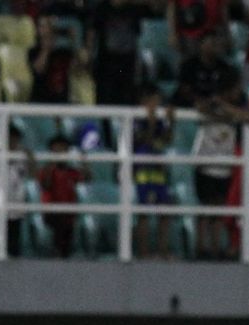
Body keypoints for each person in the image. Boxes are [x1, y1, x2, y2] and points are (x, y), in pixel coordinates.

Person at [191, 71, 242, 260]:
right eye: (236, 89)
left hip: (224, 165)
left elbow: (247, 116)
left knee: (219, 208)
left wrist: (225, 111)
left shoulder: (234, 108)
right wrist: (218, 108)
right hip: (205, 162)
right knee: (205, 207)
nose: (239, 92)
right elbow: (200, 108)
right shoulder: (209, 102)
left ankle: (214, 247)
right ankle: (200, 246)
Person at [132, 83, 175, 259]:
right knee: (144, 211)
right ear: (145, 101)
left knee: (164, 209)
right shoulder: (135, 118)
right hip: (142, 169)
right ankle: (144, 252)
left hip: (158, 167)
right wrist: (150, 125)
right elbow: (142, 140)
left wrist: (172, 122)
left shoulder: (158, 119)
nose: (158, 104)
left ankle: (163, 251)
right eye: (155, 100)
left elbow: (167, 140)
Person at [0, 125, 34, 258]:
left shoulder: (23, 156)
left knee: (13, 244)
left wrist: (31, 159)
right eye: (9, 138)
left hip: (16, 203)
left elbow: (33, 175)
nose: (12, 142)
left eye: (15, 139)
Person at [87, 0, 149, 107]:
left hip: (127, 63)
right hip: (106, 63)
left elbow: (137, 35)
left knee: (126, 98)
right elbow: (92, 32)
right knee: (105, 98)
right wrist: (89, 53)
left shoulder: (133, 9)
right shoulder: (101, 9)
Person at [38, 134, 89, 258]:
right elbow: (45, 185)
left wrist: (84, 162)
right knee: (60, 226)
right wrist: (52, 165)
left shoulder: (71, 171)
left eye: (64, 150)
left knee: (68, 230)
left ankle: (64, 257)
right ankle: (57, 255)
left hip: (69, 214)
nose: (61, 153)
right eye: (57, 150)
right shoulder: (46, 171)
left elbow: (87, 179)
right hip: (51, 212)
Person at [29, 17, 75, 104]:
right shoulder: (33, 51)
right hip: (40, 101)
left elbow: (76, 69)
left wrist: (73, 43)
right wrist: (46, 50)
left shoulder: (63, 52)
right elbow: (38, 70)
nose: (46, 30)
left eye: (49, 27)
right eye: (41, 26)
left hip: (62, 100)